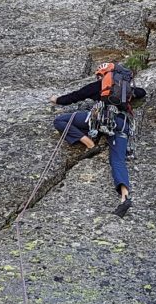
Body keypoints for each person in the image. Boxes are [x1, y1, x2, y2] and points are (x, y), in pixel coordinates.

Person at [50, 69, 147, 217]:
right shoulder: (126, 90)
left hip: (101, 118)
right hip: (121, 124)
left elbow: (74, 96)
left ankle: (89, 143)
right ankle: (124, 196)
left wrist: (56, 99)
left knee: (60, 121)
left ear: (103, 75)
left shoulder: (98, 85)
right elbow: (142, 93)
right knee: (118, 161)